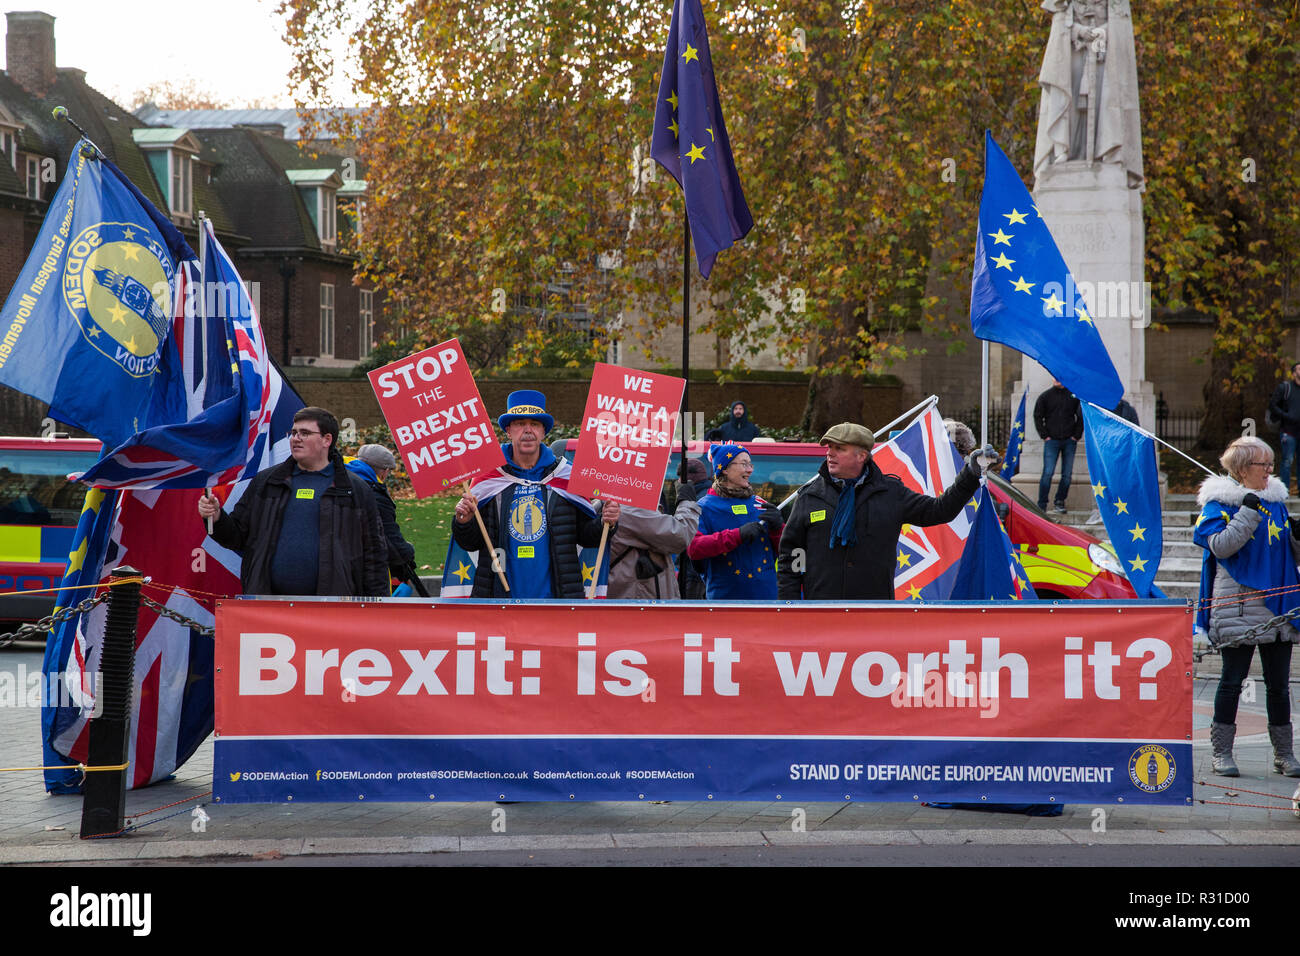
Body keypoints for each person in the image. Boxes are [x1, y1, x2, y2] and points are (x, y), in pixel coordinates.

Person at [778, 423, 989, 601]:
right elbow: (792, 554)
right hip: (821, 613)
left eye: (839, 448)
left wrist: (970, 475)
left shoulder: (891, 493)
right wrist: (791, 605)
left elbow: (939, 510)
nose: (829, 453)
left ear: (862, 455)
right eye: (829, 447)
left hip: (875, 614)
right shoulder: (810, 496)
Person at [197, 406, 389, 596]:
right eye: (294, 432)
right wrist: (216, 517)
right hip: (267, 607)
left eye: (305, 433)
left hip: (332, 612)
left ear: (326, 439)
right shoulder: (267, 482)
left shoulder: (353, 490)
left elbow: (374, 556)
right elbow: (238, 537)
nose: (296, 438)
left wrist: (377, 610)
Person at [1194, 437, 1300, 778]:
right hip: (1238, 608)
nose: (1271, 470)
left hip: (1278, 608)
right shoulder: (1219, 505)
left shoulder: (1277, 503)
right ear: (1242, 470)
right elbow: (1221, 547)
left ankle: (1284, 754)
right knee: (1231, 681)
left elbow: (1285, 555)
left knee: (1279, 686)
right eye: (1263, 465)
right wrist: (1247, 512)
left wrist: (1297, 538)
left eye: (1271, 464)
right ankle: (1221, 752)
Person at [451, 389, 618, 598]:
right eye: (520, 424)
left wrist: (606, 523)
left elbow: (586, 537)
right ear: (509, 430)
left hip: (558, 599)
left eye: (535, 424)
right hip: (500, 597)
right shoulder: (489, 478)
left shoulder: (566, 476)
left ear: (543, 432)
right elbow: (471, 543)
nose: (527, 430)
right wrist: (463, 522)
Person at [687, 444, 782, 599]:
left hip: (767, 601)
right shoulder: (703, 507)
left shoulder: (760, 503)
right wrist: (737, 535)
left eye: (750, 464)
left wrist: (778, 530)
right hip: (725, 603)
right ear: (724, 469)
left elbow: (786, 551)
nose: (750, 470)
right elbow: (693, 548)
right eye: (744, 464)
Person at [345, 443, 425, 596]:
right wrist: (408, 552)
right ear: (383, 472)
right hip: (370, 570)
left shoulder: (345, 481)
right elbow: (391, 540)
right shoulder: (375, 494)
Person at [607, 478, 701, 601]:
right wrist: (687, 503)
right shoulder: (630, 507)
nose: (669, 462)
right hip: (641, 606)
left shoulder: (618, 500)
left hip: (636, 599)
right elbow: (679, 535)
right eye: (665, 458)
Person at [1033, 379, 1082, 514]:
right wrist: (1045, 436)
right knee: (1047, 473)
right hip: (1052, 441)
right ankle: (1042, 504)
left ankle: (1060, 501)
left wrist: (1076, 436)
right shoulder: (1045, 396)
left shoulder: (1073, 396)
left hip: (1069, 441)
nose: (1057, 380)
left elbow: (1081, 416)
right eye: (1055, 377)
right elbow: (1037, 416)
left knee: (1066, 475)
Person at [1267, 362, 1300, 495]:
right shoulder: (1285, 388)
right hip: (1289, 431)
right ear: (1293, 373)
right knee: (1287, 460)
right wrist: (1286, 415)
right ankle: (1284, 490)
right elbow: (1273, 405)